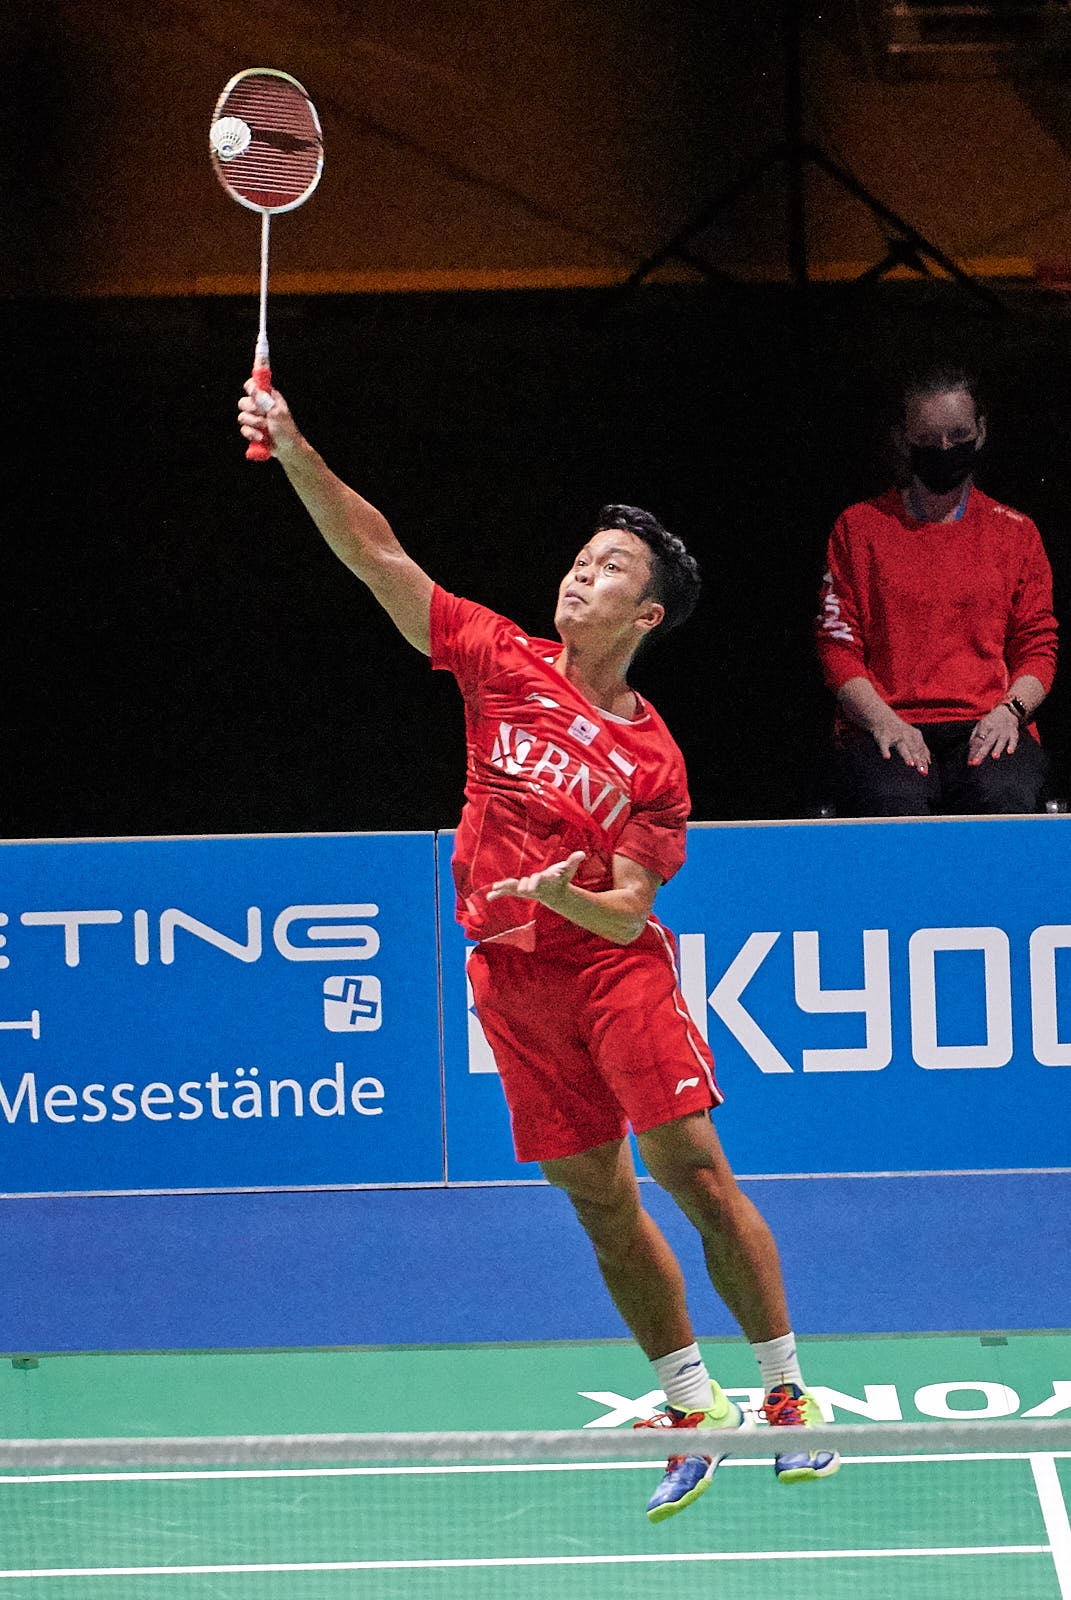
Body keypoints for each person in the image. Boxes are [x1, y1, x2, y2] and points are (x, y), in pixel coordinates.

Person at [238, 378, 840, 1520]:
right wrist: (297, 447)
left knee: (691, 1172)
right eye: (582, 557)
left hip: (611, 969)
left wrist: (575, 895)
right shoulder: (497, 658)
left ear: (646, 616)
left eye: (610, 568)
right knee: (598, 1200)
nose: (580, 573)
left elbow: (630, 907)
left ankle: (786, 1395)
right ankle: (692, 1406)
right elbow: (378, 556)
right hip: (509, 979)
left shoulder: (654, 762)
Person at [816, 365, 1058, 816]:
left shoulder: (1017, 532)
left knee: (1002, 793)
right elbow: (838, 647)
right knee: (894, 799)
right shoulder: (859, 527)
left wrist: (1009, 712)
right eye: (928, 439)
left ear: (980, 432)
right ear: (903, 438)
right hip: (886, 720)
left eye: (958, 435)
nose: (944, 449)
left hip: (988, 718)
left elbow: (1038, 648)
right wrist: (884, 721)